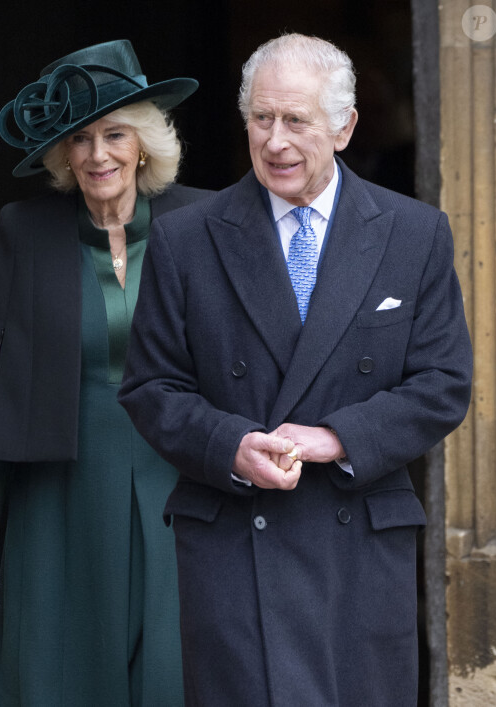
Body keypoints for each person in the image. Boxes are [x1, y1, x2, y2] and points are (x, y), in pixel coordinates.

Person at [118, 33, 473, 707]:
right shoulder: (187, 238)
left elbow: (443, 381)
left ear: (344, 128)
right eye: (261, 118)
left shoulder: (415, 232)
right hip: (234, 545)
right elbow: (151, 386)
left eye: (296, 121)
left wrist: (335, 436)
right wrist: (231, 445)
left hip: (360, 549)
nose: (275, 141)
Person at [0, 39, 212, 706]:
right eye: (80, 138)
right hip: (57, 490)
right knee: (59, 672)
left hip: (177, 488)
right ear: (61, 154)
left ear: (144, 142)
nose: (99, 155)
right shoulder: (25, 230)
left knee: (178, 673)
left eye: (115, 134)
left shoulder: (205, 223)